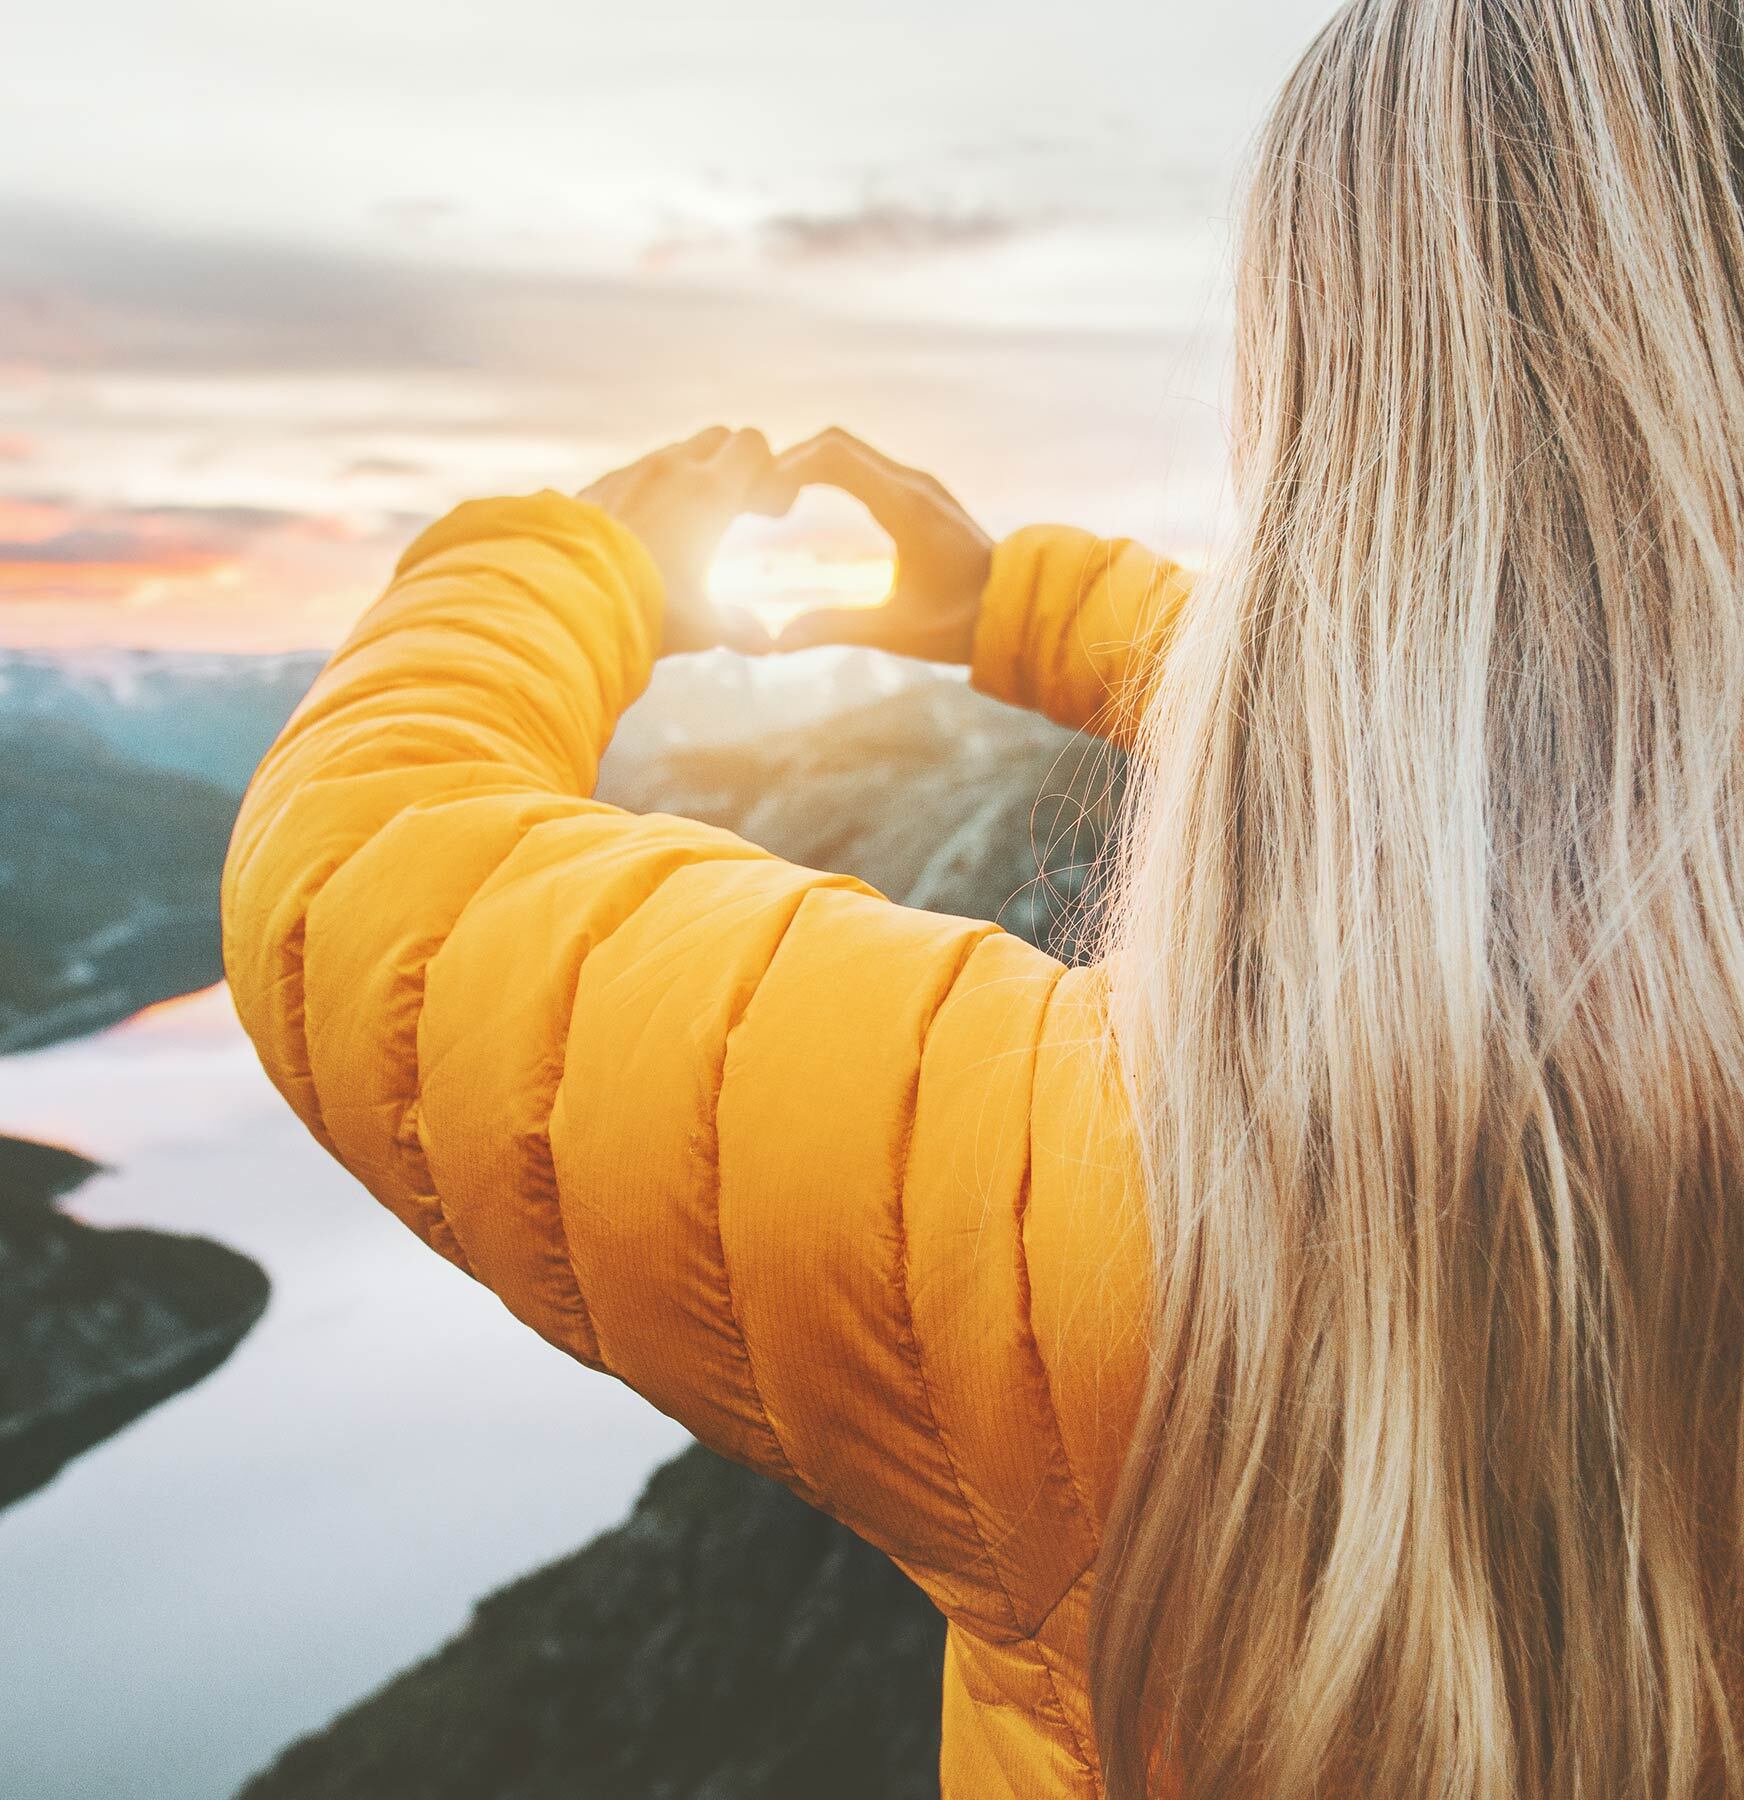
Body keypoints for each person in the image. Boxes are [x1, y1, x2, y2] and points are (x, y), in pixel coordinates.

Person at [222, 1, 1744, 1792]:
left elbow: (352, 866)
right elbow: (1540, 747)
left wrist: (573, 560)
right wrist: (1018, 609)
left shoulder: (1072, 1235)